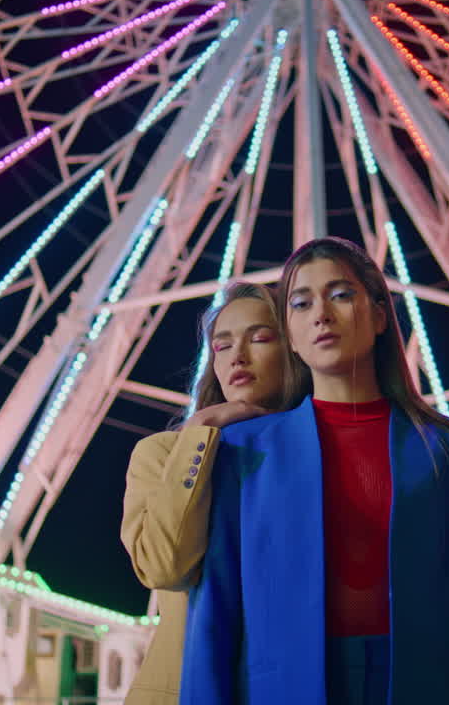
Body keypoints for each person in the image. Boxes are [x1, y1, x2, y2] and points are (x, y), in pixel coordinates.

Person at [181, 237, 449, 705]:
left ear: (381, 315)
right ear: (292, 335)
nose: (321, 314)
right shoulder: (242, 452)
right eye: (301, 303)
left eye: (341, 295)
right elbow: (214, 618)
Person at [121, 281, 309, 705]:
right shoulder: (162, 454)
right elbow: (163, 567)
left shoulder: (320, 459)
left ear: (298, 351)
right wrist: (199, 434)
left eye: (260, 338)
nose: (237, 357)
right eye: (222, 347)